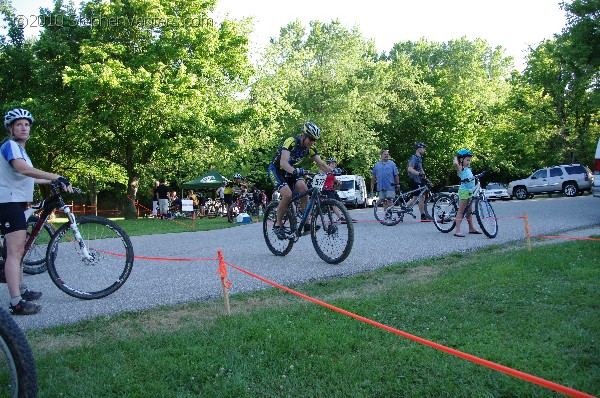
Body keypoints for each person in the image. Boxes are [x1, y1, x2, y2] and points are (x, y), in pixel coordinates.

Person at [0, 108, 73, 315]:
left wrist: (53, 180)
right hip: (9, 202)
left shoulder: (20, 150)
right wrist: (55, 175)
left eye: (27, 124)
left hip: (17, 201)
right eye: (19, 124)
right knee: (14, 253)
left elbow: (27, 177)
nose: (24, 128)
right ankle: (16, 303)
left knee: (18, 251)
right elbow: (24, 170)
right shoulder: (11, 146)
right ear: (11, 128)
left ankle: (21, 290)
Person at [267, 122, 333, 239]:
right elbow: (283, 163)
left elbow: (321, 164)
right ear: (303, 135)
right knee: (287, 195)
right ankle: (278, 224)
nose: (312, 142)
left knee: (304, 189)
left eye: (315, 140)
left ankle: (306, 222)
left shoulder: (310, 148)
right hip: (277, 169)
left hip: (290, 170)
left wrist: (333, 171)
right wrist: (295, 171)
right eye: (311, 139)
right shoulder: (291, 142)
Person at [452, 149, 482, 237]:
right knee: (461, 211)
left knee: (469, 211)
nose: (469, 162)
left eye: (470, 160)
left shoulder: (468, 169)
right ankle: (457, 230)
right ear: (461, 160)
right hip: (464, 191)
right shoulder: (461, 168)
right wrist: (457, 157)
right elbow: (455, 163)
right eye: (467, 160)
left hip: (469, 191)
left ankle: (471, 228)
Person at [406, 142, 433, 221]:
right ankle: (423, 216)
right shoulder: (414, 158)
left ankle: (403, 208)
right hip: (414, 180)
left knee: (415, 198)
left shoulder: (419, 158)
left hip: (418, 179)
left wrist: (425, 177)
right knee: (421, 196)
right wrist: (419, 174)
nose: (424, 150)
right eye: (423, 148)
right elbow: (409, 168)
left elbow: (421, 169)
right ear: (419, 149)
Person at [371, 149, 399, 216]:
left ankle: (391, 214)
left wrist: (397, 184)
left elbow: (396, 175)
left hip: (390, 186)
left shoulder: (392, 164)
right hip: (381, 186)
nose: (386, 155)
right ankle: (386, 214)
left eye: (387, 154)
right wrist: (372, 183)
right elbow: (373, 175)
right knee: (384, 201)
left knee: (390, 200)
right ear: (381, 155)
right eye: (385, 154)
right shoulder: (377, 165)